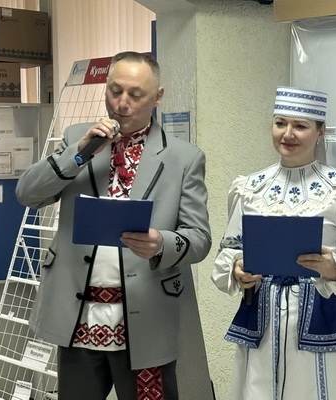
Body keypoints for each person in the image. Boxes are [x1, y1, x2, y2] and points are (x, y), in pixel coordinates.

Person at [16, 51, 211, 400]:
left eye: (135, 94)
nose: (122, 103)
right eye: (114, 91)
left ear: (158, 97)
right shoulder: (77, 138)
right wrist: (79, 153)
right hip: (78, 314)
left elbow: (199, 239)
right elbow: (28, 194)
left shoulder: (183, 158)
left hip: (146, 317)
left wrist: (161, 243)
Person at [212, 86, 336, 399]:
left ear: (320, 133)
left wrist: (335, 269)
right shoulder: (249, 189)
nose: (288, 134)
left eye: (300, 126)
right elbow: (229, 253)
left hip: (328, 320)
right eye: (280, 123)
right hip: (264, 323)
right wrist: (238, 270)